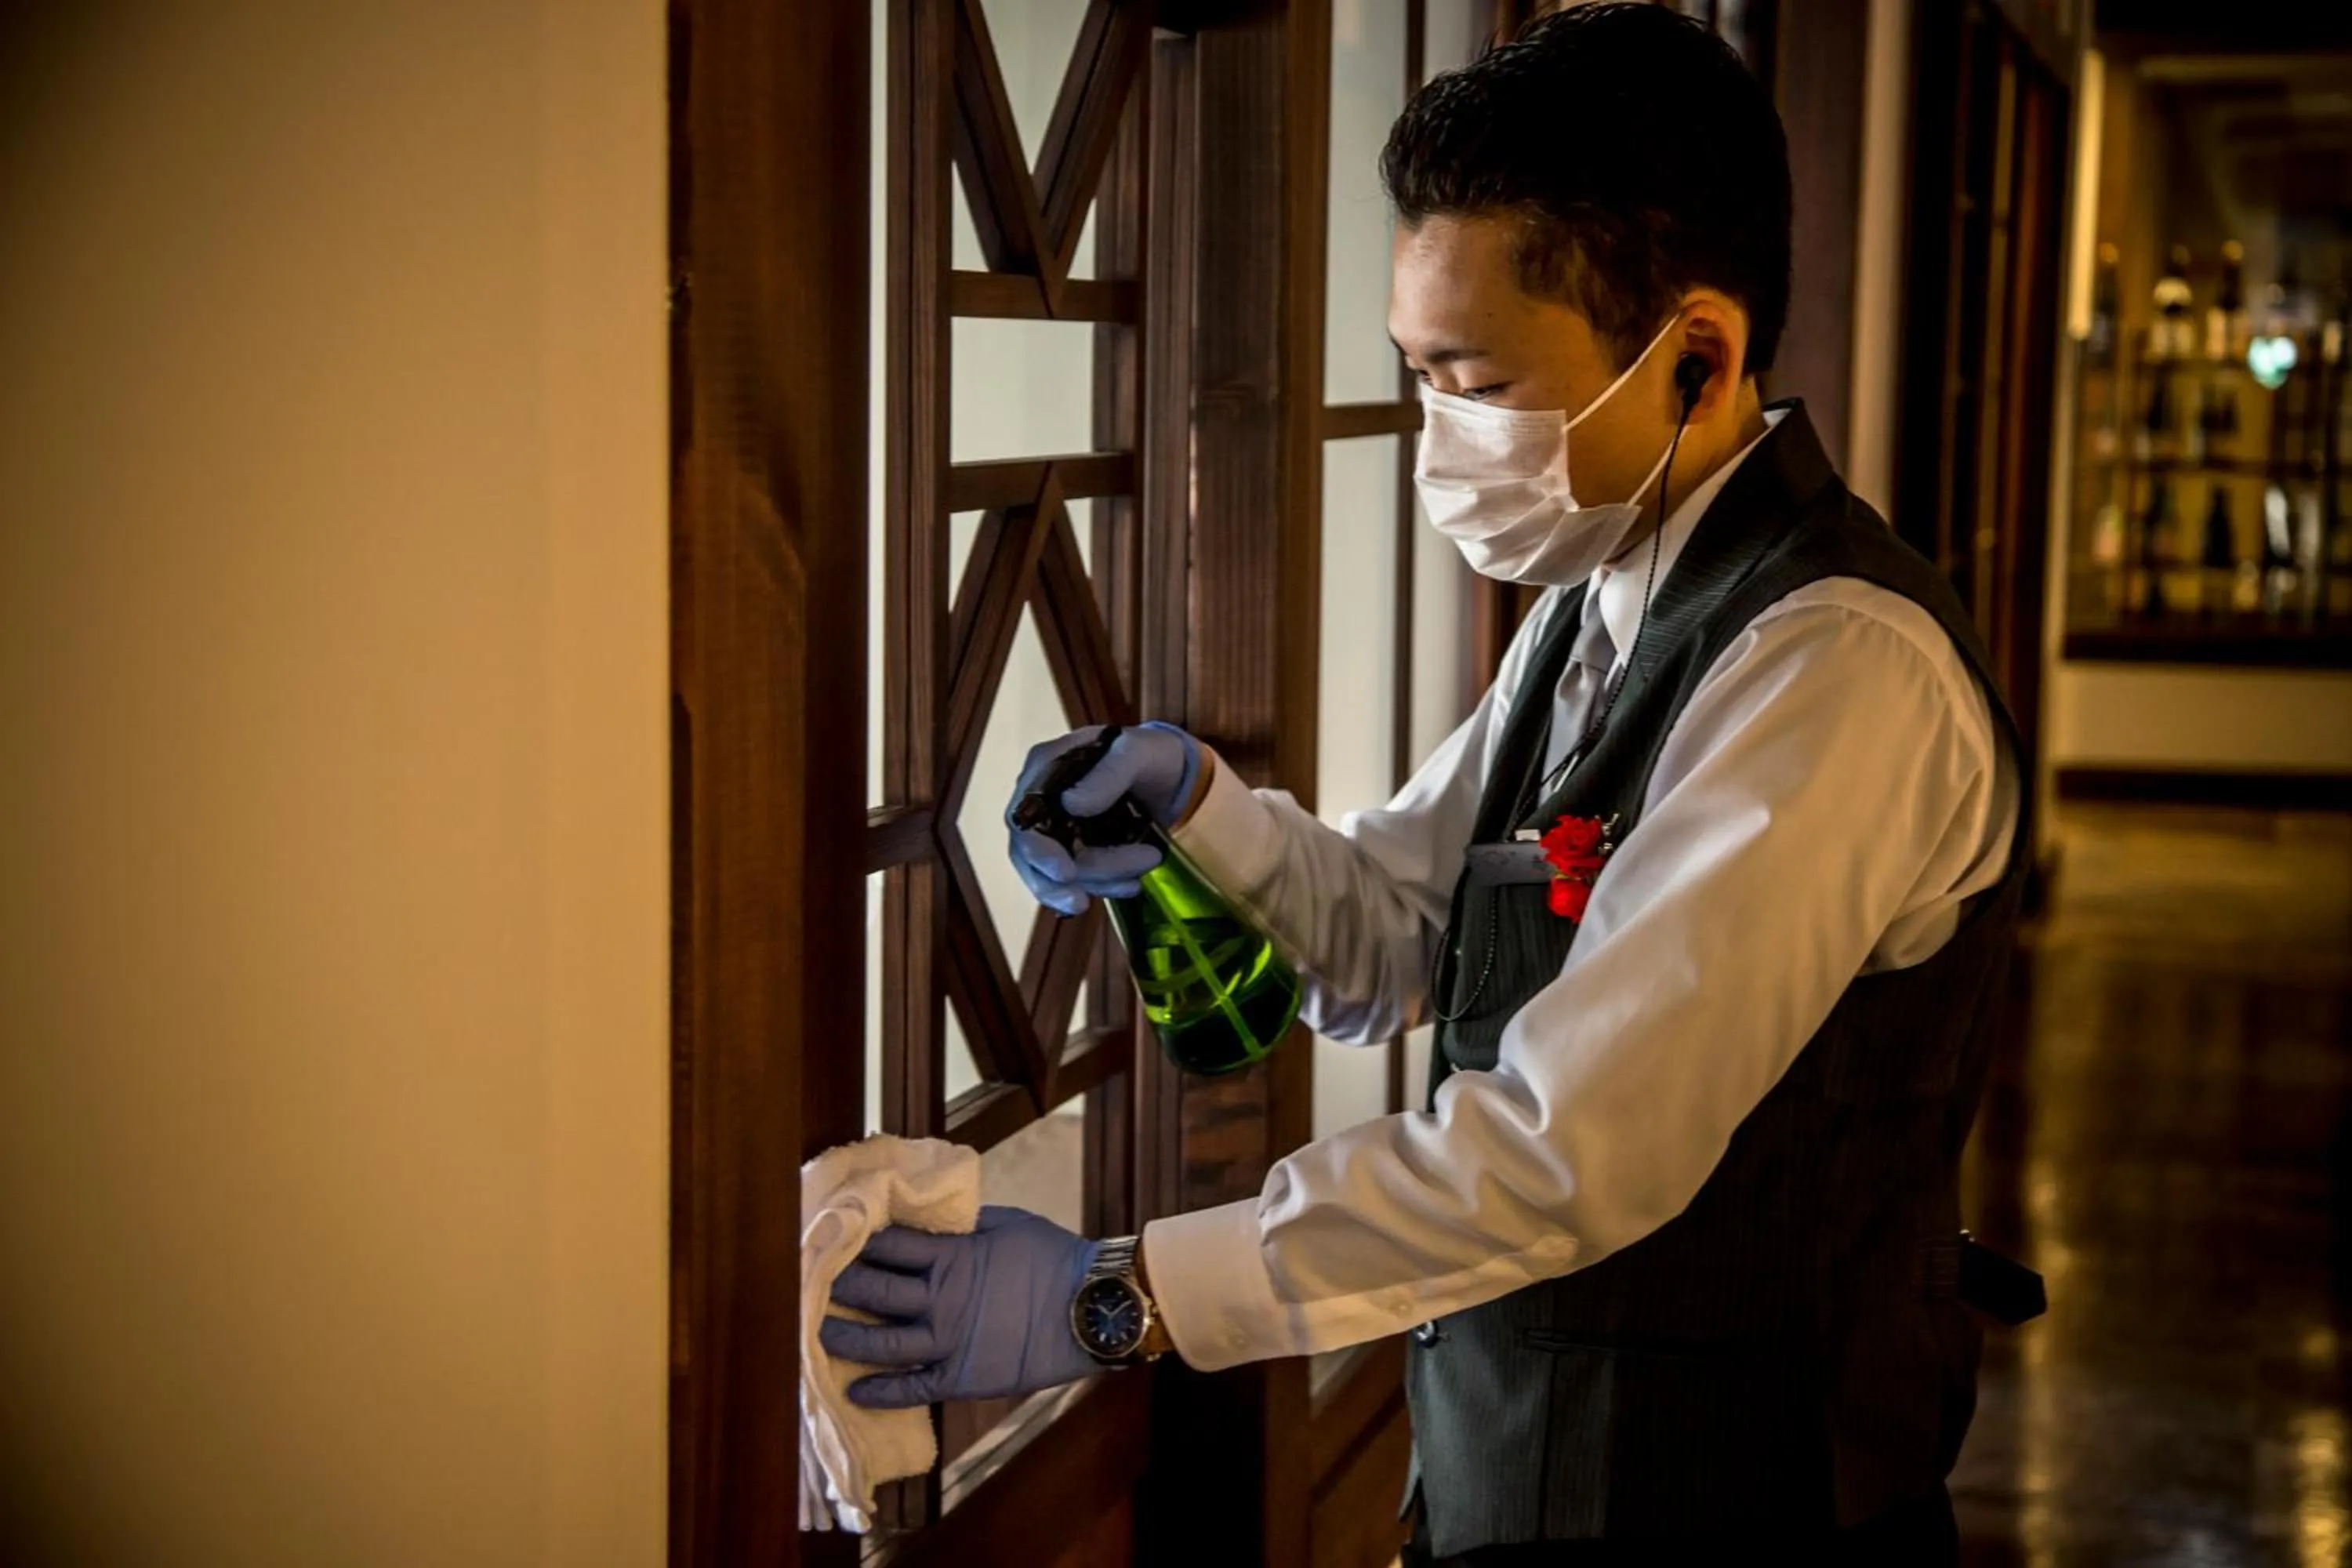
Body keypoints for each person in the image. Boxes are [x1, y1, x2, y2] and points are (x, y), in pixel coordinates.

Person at [820, 6, 2025, 1562]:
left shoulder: (1839, 670)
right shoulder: (1594, 611)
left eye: (1477, 383)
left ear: (1698, 356)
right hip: (1508, 1481)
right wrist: (1197, 815)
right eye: (1420, 375)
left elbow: (1567, 1151)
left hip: (1742, 1508)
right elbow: (1404, 933)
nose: (1437, 437)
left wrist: (1119, 1294)